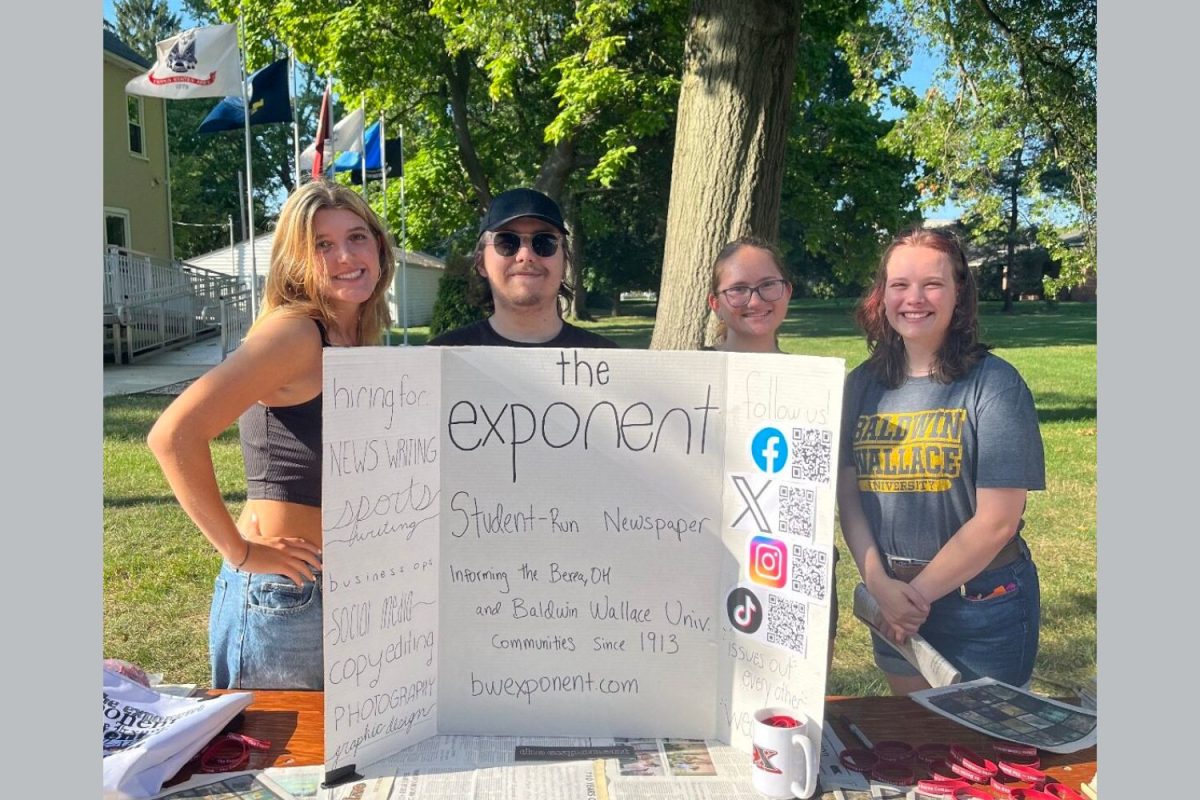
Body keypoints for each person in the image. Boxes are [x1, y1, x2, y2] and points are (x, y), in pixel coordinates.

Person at [147, 181, 395, 689]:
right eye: (322, 245)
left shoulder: (357, 334)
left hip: (349, 590)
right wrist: (241, 552)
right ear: (296, 260)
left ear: (378, 247)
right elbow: (173, 436)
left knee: (340, 764)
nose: (345, 255)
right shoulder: (296, 333)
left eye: (356, 237)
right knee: (281, 764)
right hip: (286, 596)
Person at [836, 225, 1045, 694]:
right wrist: (880, 585)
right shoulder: (860, 386)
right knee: (916, 747)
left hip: (982, 606)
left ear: (958, 295)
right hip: (891, 600)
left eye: (932, 284)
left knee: (985, 757)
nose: (915, 298)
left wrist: (917, 597)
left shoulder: (995, 386)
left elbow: (998, 522)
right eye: (899, 285)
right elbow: (847, 496)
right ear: (882, 295)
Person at [706, 236, 839, 666]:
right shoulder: (688, 379)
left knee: (793, 696)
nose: (755, 300)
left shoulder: (816, 388)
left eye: (768, 285)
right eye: (738, 289)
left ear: (787, 291)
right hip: (706, 564)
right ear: (715, 303)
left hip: (792, 568)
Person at [428, 188, 618, 348]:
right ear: (480, 263)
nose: (525, 256)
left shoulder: (609, 363)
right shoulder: (438, 360)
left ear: (565, 262)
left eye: (545, 242)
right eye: (507, 242)